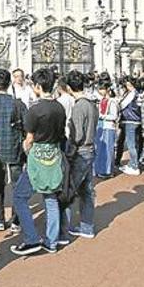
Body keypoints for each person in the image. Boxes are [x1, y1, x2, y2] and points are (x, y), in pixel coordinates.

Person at [11, 67, 66, 256]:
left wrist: (27, 152)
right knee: (50, 199)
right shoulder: (59, 107)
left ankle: (32, 238)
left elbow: (29, 139)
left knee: (19, 196)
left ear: (37, 86)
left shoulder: (34, 110)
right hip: (55, 153)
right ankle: (52, 241)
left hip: (38, 156)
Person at [0, 69, 27, 232]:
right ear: (9, 83)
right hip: (15, 147)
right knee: (17, 185)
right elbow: (26, 127)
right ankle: (16, 220)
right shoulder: (18, 104)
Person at [61, 70, 98, 239]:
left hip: (80, 151)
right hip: (90, 149)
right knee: (87, 191)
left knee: (68, 190)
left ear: (69, 88)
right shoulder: (91, 104)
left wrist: (69, 152)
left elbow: (77, 136)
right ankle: (87, 226)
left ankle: (63, 228)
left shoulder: (79, 106)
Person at [117, 76, 142, 176]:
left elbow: (122, 105)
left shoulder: (132, 94)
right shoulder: (136, 93)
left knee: (131, 145)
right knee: (134, 144)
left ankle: (134, 165)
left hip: (130, 120)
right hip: (135, 120)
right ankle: (133, 163)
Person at [93, 81, 118, 178]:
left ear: (107, 89)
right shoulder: (101, 100)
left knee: (108, 149)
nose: (100, 91)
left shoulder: (112, 101)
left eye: (102, 89)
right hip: (100, 126)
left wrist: (103, 116)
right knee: (99, 149)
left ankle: (108, 171)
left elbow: (114, 116)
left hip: (108, 126)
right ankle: (100, 169)